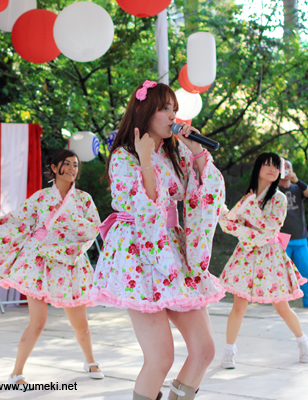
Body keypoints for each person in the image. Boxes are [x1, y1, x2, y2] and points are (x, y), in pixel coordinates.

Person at [89, 80, 226, 400]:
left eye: (174, 109)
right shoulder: (124, 155)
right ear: (145, 111)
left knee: (204, 350)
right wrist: (145, 159)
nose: (172, 115)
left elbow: (203, 194)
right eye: (165, 108)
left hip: (173, 250)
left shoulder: (176, 152)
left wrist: (197, 151)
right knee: (161, 357)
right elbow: (142, 205)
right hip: (139, 253)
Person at [0, 149, 104, 385]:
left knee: (81, 325)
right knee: (38, 322)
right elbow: (16, 221)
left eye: (75, 165)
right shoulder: (41, 197)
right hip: (39, 262)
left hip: (69, 261)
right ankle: (16, 373)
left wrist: (65, 231)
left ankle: (90, 360)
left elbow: (93, 229)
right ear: (54, 168)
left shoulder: (83, 199)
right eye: (67, 164)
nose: (73, 169)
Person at [218, 153, 308, 370]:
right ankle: (229, 352)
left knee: (282, 307)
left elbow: (267, 231)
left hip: (270, 257)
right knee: (238, 306)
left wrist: (246, 216)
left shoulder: (279, 198)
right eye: (267, 164)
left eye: (275, 166)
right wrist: (243, 216)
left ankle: (303, 342)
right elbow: (227, 224)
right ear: (258, 167)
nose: (271, 169)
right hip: (246, 256)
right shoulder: (247, 197)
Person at [278, 159, 308, 310]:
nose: (286, 170)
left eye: (288, 168)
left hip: (300, 237)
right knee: (280, 273)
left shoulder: (297, 188)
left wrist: (296, 180)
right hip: (282, 238)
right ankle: (281, 305)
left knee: (306, 271)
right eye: (283, 168)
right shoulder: (274, 190)